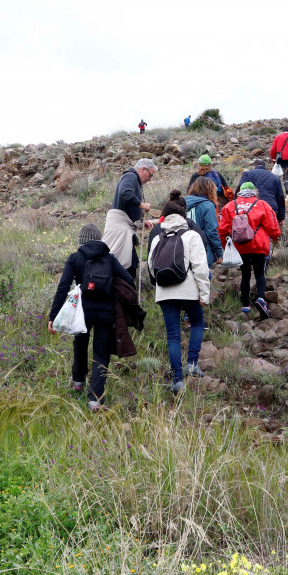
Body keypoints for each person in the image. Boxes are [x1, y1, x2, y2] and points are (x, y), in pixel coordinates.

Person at [48, 223, 134, 411]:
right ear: (99, 238)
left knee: (80, 342)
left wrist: (53, 316)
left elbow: (63, 287)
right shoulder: (109, 259)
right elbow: (128, 280)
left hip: (81, 312)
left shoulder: (75, 258)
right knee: (101, 353)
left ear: (81, 240)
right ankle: (95, 399)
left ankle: (78, 382)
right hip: (106, 312)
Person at [147, 192, 211, 394]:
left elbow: (150, 266)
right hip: (188, 289)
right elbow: (201, 267)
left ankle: (177, 380)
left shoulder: (158, 238)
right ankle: (192, 363)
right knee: (197, 323)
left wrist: (160, 284)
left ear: (164, 217)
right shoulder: (191, 235)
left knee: (173, 336)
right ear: (184, 217)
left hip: (165, 292)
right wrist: (204, 294)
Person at [218, 182, 281, 319]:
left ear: (240, 192)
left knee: (245, 274)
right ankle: (261, 299)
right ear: (254, 192)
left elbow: (222, 229)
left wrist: (225, 246)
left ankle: (245, 305)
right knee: (259, 273)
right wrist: (276, 237)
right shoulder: (262, 204)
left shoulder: (230, 206)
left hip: (239, 246)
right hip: (259, 245)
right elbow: (271, 225)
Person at [103, 159, 156, 279]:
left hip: (123, 228)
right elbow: (125, 193)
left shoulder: (134, 180)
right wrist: (142, 205)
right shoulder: (130, 176)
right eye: (150, 175)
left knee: (129, 264)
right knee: (124, 265)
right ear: (143, 169)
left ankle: (124, 293)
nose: (150, 179)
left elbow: (128, 207)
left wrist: (140, 222)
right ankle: (124, 293)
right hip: (120, 229)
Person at [185, 177, 224, 279]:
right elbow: (211, 231)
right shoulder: (208, 205)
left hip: (181, 248)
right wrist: (219, 253)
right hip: (202, 248)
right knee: (204, 280)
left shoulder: (181, 203)